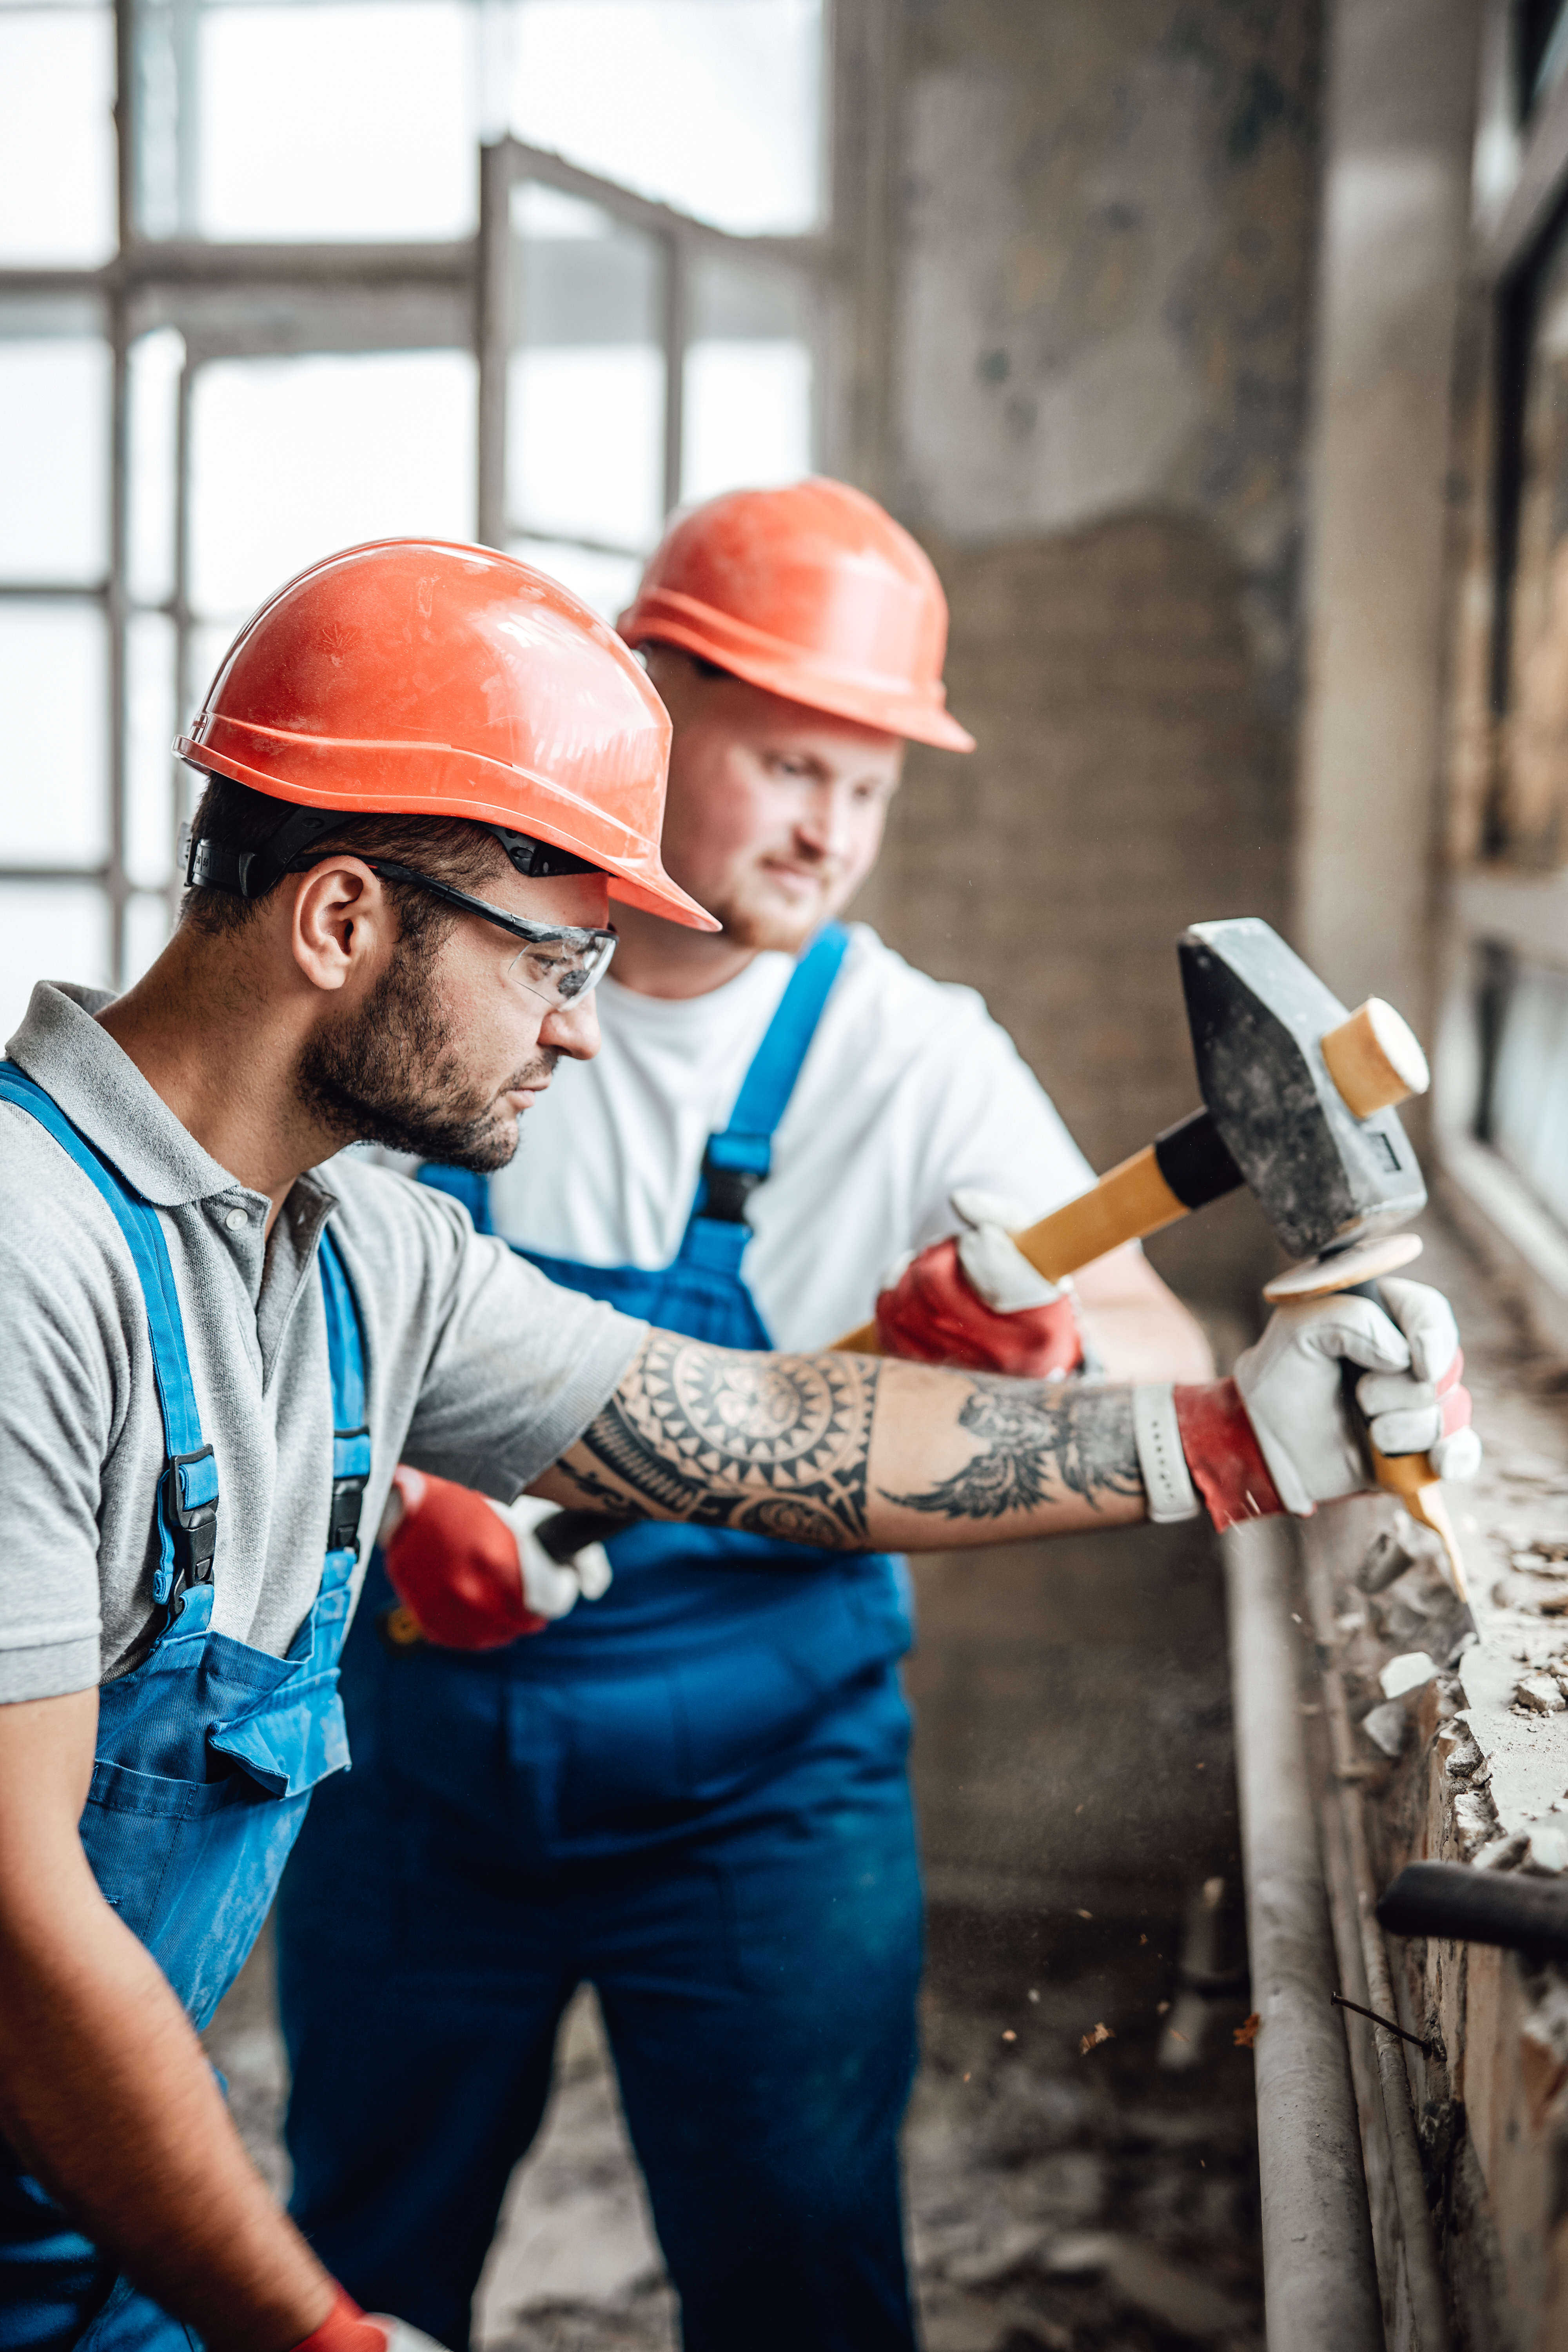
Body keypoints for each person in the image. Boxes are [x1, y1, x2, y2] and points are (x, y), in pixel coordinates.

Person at [274, 487, 1477, 2352]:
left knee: (804, 2283)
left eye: (873, 782)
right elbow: (270, 1300)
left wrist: (1057, 1355)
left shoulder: (904, 1049)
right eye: (788, 762)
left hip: (763, 1800)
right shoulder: (447, 990)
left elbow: (1153, 1333)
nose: (833, 825)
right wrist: (380, 1499)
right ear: (651, 704)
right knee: (353, 2255)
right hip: (410, 1762)